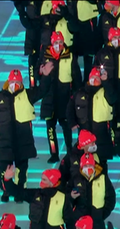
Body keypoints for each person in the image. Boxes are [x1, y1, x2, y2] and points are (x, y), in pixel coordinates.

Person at [0, 65, 54, 202]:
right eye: (12, 82)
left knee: (22, 170)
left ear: (21, 83)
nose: (14, 85)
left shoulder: (27, 95)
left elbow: (42, 90)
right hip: (5, 142)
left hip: (23, 142)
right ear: (8, 82)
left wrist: (45, 76)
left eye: (17, 82)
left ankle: (20, 193)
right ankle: (6, 191)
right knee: (3, 169)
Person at [39, 31, 81, 163]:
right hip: (49, 98)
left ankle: (69, 151)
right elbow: (37, 71)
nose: (59, 45)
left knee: (67, 127)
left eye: (60, 42)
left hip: (65, 99)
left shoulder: (70, 55)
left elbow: (76, 77)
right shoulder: (45, 55)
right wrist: (41, 72)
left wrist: (77, 94)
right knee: (50, 128)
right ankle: (54, 153)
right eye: (56, 43)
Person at [67, 67, 120, 163]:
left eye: (97, 78)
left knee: (101, 164)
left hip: (101, 135)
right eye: (93, 77)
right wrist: (72, 122)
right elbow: (70, 108)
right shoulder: (79, 93)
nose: (95, 80)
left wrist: (106, 81)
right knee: (84, 162)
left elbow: (113, 98)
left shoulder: (106, 92)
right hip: (84, 134)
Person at [66, 152, 116, 229]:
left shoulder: (103, 178)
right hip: (80, 224)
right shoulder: (75, 179)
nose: (88, 168)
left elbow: (111, 198)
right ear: (81, 167)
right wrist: (71, 197)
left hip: (97, 223)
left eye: (90, 165)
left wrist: (101, 214)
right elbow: (67, 199)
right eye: (85, 166)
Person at [13, 0, 43, 87]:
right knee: (32, 63)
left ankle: (45, 86)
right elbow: (25, 22)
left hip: (44, 35)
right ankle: (32, 86)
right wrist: (22, 12)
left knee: (45, 61)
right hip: (32, 38)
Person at [69, 0, 101, 77]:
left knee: (88, 55)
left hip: (89, 18)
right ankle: (76, 84)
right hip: (74, 16)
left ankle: (88, 81)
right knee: (73, 55)